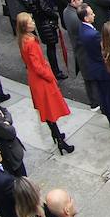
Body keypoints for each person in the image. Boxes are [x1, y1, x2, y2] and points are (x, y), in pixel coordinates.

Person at [15, 12, 73, 154]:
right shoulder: (30, 43)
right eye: (30, 21)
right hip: (41, 80)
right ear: (24, 26)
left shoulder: (23, 40)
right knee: (50, 110)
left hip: (35, 79)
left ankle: (56, 135)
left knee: (47, 111)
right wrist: (50, 76)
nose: (33, 22)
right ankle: (60, 140)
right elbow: (37, 66)